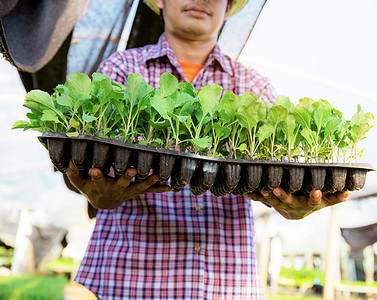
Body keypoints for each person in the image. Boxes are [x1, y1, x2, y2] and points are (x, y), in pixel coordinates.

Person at [66, 0, 351, 298]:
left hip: (226, 279)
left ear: (228, 7)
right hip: (133, 275)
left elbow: (273, 175)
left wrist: (291, 206)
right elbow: (93, 161)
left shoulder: (253, 85)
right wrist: (100, 195)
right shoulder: (121, 69)